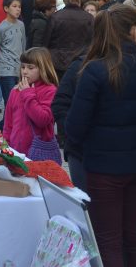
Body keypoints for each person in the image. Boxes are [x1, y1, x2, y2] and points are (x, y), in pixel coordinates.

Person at [65, 4, 136, 267]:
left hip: (102, 166)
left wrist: (80, 150)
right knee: (134, 236)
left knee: (109, 239)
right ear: (135, 31)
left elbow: (75, 126)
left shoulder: (94, 69)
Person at [2, 47, 60, 163]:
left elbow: (42, 119)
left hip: (39, 153)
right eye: (23, 67)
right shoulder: (15, 91)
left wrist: (28, 94)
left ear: (43, 69)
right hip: (16, 151)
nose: (24, 71)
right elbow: (8, 123)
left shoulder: (50, 91)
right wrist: (5, 144)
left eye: (30, 67)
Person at [51, 51, 88, 190]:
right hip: (80, 150)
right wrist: (70, 133)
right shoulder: (80, 66)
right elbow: (60, 103)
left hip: (123, 156)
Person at [44, 0, 94, 81]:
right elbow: (92, 41)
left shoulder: (55, 17)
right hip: (80, 61)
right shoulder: (89, 18)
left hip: (57, 62)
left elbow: (47, 41)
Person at [0, 0, 27, 119]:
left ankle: (2, 126)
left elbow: (23, 47)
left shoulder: (21, 25)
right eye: (14, 6)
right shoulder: (1, 28)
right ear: (6, 8)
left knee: (18, 101)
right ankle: (7, 129)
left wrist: (24, 68)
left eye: (19, 7)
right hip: (5, 69)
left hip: (18, 69)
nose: (18, 9)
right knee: (10, 102)